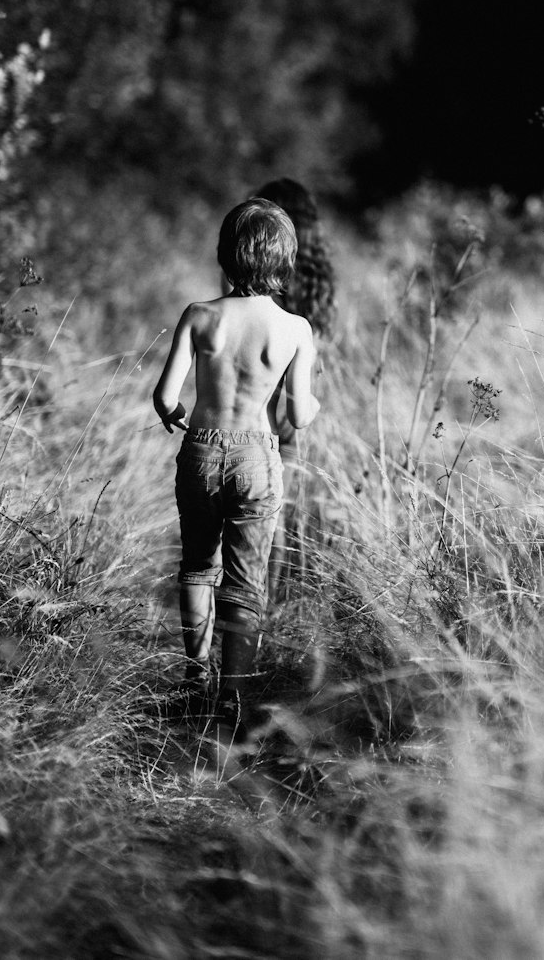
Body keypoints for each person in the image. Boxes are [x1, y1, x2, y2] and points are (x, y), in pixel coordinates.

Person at [152, 198, 321, 722]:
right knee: (246, 580)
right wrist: (308, 400)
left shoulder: (200, 316)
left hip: (201, 447)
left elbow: (163, 396)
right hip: (256, 456)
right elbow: (300, 413)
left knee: (199, 566)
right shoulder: (295, 329)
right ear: (285, 261)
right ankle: (234, 692)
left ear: (225, 256)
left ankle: (194, 674)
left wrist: (179, 413)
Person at [253, 178, 335, 596]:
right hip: (299, 388)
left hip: (259, 391)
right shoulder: (318, 277)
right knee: (278, 502)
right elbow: (323, 341)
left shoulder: (253, 262)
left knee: (255, 501)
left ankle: (245, 595)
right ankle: (269, 602)